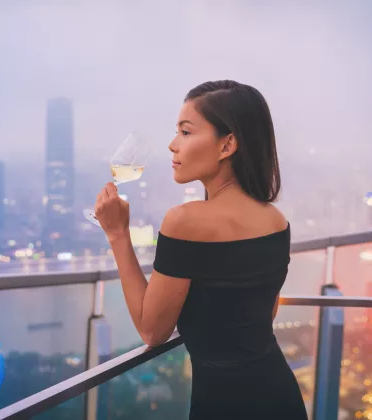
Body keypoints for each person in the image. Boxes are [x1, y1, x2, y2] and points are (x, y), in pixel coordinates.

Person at [94, 80, 307, 419]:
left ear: (228, 145)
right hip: (280, 395)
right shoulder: (275, 220)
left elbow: (153, 331)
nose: (172, 145)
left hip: (224, 403)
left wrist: (118, 234)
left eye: (186, 132)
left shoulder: (185, 221)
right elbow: (262, 316)